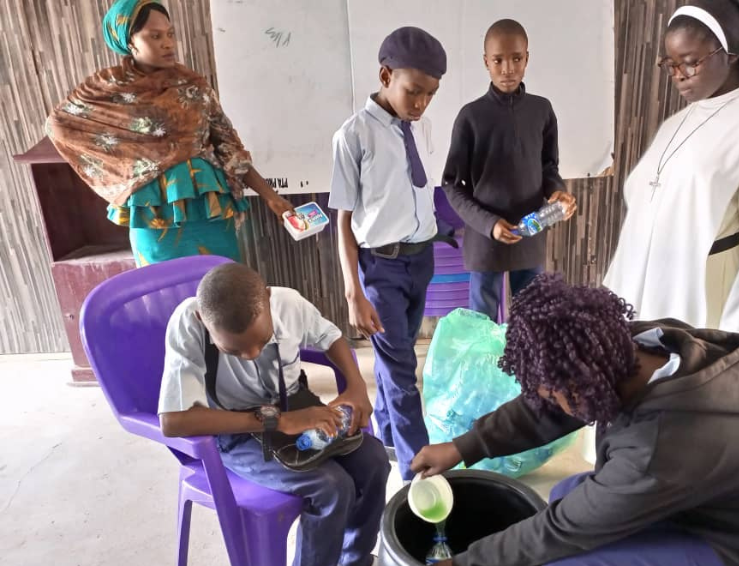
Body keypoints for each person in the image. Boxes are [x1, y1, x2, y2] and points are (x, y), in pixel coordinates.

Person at [412, 273, 739, 566]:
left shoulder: (662, 447)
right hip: (724, 502)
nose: (545, 403)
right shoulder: (640, 343)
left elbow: (561, 530)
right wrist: (464, 447)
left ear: (579, 389)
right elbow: (548, 407)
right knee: (567, 489)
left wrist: (467, 562)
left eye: (551, 394)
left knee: (569, 556)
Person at [603, 0, 739, 374]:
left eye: (691, 61)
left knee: (686, 409)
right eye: (671, 64)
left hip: (700, 301)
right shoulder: (676, 123)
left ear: (731, 51)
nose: (679, 75)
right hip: (638, 290)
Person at [158, 263, 388, 566]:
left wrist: (356, 385)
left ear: (267, 299)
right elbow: (174, 421)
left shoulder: (287, 303)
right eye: (235, 350)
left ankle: (354, 559)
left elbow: (330, 337)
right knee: (332, 487)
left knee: (374, 460)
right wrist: (276, 421)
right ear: (204, 320)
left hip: (293, 404)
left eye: (261, 341)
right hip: (235, 430)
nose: (251, 354)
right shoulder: (189, 322)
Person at [46, 0, 293, 266]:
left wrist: (273, 198)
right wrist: (129, 167)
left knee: (223, 292)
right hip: (151, 213)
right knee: (166, 293)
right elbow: (59, 126)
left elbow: (229, 147)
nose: (168, 43)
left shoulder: (193, 85)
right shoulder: (107, 89)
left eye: (170, 34)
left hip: (208, 208)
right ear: (129, 41)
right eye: (155, 36)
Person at [329, 26, 448, 481]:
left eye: (430, 94)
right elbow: (342, 219)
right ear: (385, 75)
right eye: (413, 91)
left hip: (422, 259)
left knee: (395, 358)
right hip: (381, 267)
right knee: (401, 372)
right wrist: (353, 291)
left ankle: (384, 444)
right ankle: (420, 477)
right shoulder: (353, 136)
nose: (420, 103)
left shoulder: (423, 126)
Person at [442, 19, 576, 322]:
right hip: (486, 238)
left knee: (532, 319)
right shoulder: (471, 117)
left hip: (531, 230)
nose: (508, 69)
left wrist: (558, 193)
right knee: (483, 323)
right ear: (486, 62)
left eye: (516, 58)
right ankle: (486, 371)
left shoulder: (542, 110)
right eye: (498, 60)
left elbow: (548, 166)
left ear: (527, 58)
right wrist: (489, 223)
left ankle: (526, 369)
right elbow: (451, 184)